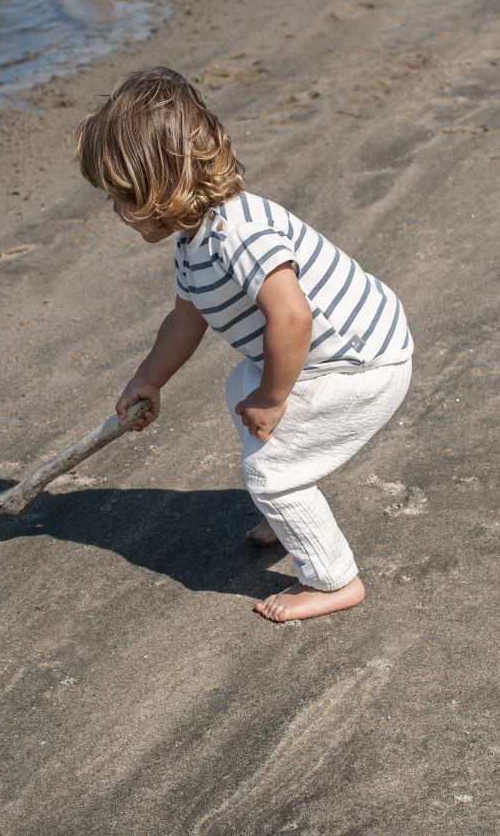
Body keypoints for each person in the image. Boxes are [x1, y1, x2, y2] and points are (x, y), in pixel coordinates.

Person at [75, 67, 413, 622]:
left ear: (159, 186)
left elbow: (292, 317)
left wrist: (276, 398)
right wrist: (148, 379)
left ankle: (332, 579)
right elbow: (185, 322)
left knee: (271, 470)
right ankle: (287, 514)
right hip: (343, 353)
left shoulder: (238, 233)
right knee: (242, 385)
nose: (114, 210)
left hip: (363, 363)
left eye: (119, 197)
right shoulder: (193, 243)